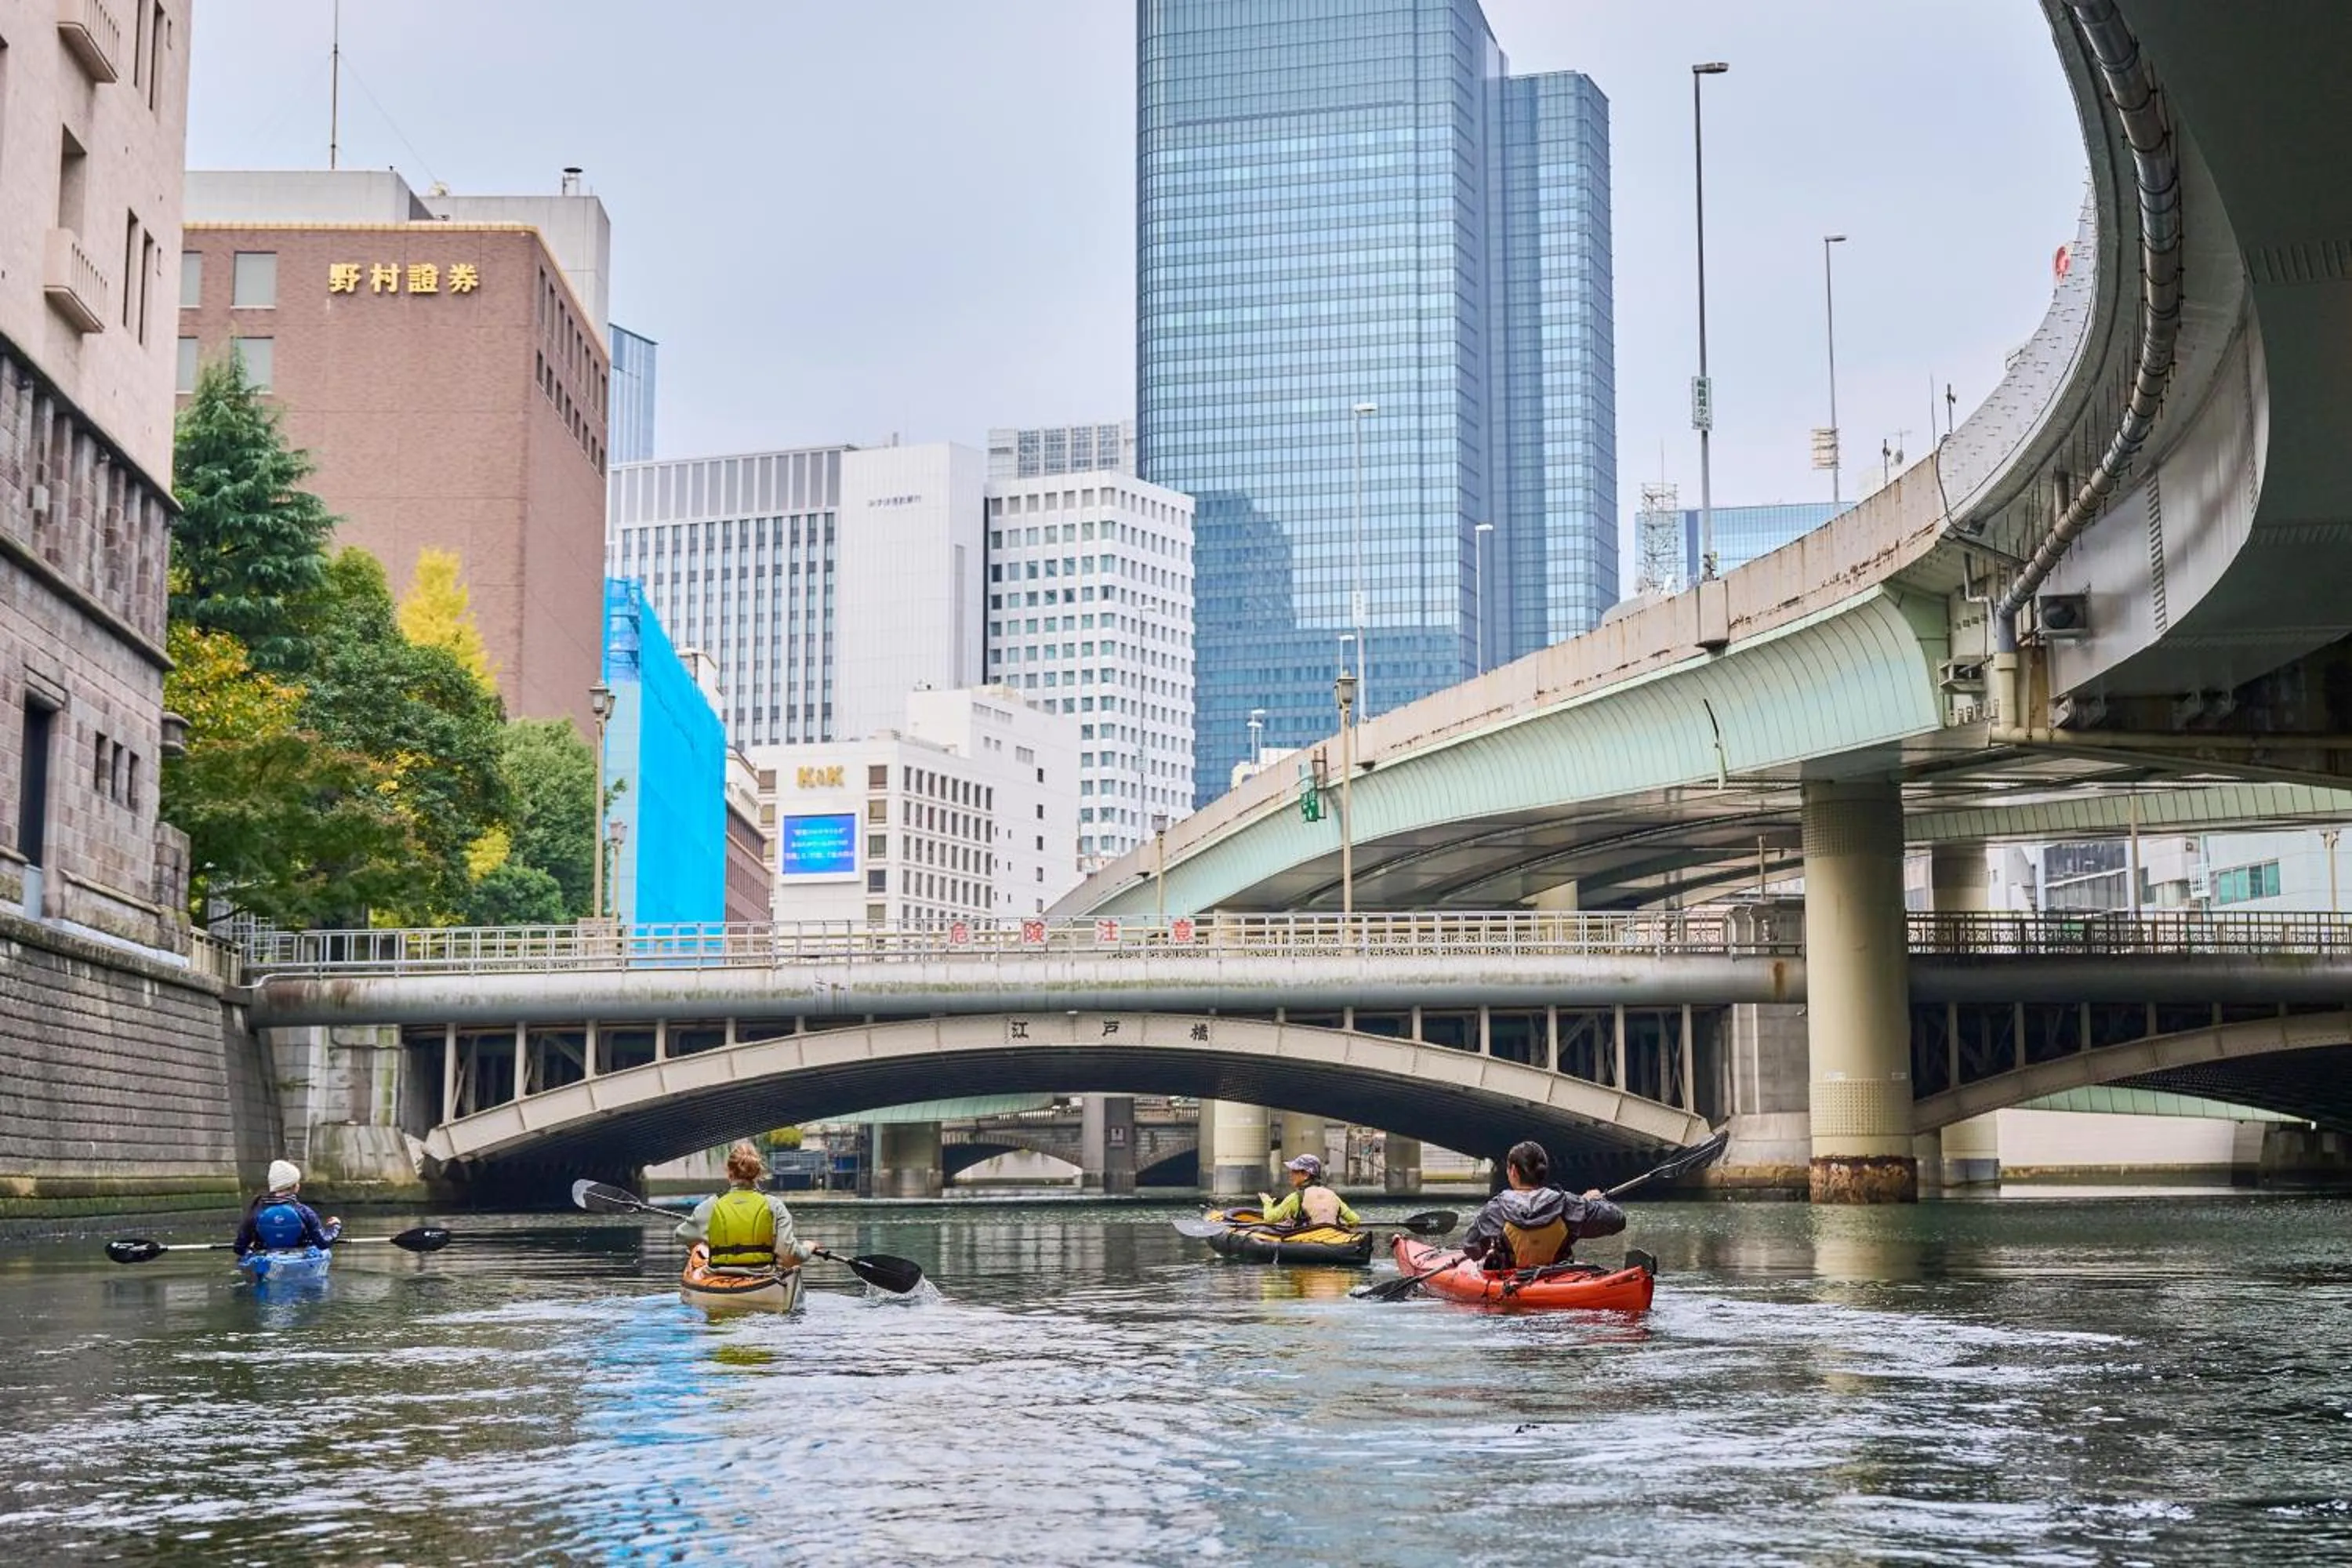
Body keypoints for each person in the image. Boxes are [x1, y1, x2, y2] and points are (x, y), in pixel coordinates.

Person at [1458, 1141, 1624, 1272]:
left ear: (1513, 1171)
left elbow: (1471, 1248)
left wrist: (1489, 1247)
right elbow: (1617, 1220)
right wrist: (1594, 1202)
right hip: (1557, 1277)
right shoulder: (1567, 1202)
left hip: (1510, 1281)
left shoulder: (1495, 1208)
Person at [676, 1142, 818, 1276]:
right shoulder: (774, 1205)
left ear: (729, 1172)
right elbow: (790, 1255)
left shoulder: (711, 1205)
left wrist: (707, 1241)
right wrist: (807, 1248)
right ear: (758, 1173)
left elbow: (682, 1235)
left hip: (718, 1275)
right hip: (764, 1276)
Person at [234, 1160, 342, 1257]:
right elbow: (323, 1243)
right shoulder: (305, 1212)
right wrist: (336, 1227)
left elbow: (239, 1248)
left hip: (267, 1260)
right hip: (301, 1260)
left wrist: (250, 1248)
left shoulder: (256, 1212)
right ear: (294, 1186)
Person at [1254, 1153, 1360, 1229]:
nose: (1290, 1175)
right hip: (1334, 1241)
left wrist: (1267, 1202)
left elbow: (1269, 1219)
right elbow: (1355, 1220)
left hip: (1309, 1244)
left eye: (1295, 1171)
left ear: (1306, 1175)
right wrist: (1344, 1228)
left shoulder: (1296, 1197)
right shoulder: (1332, 1195)